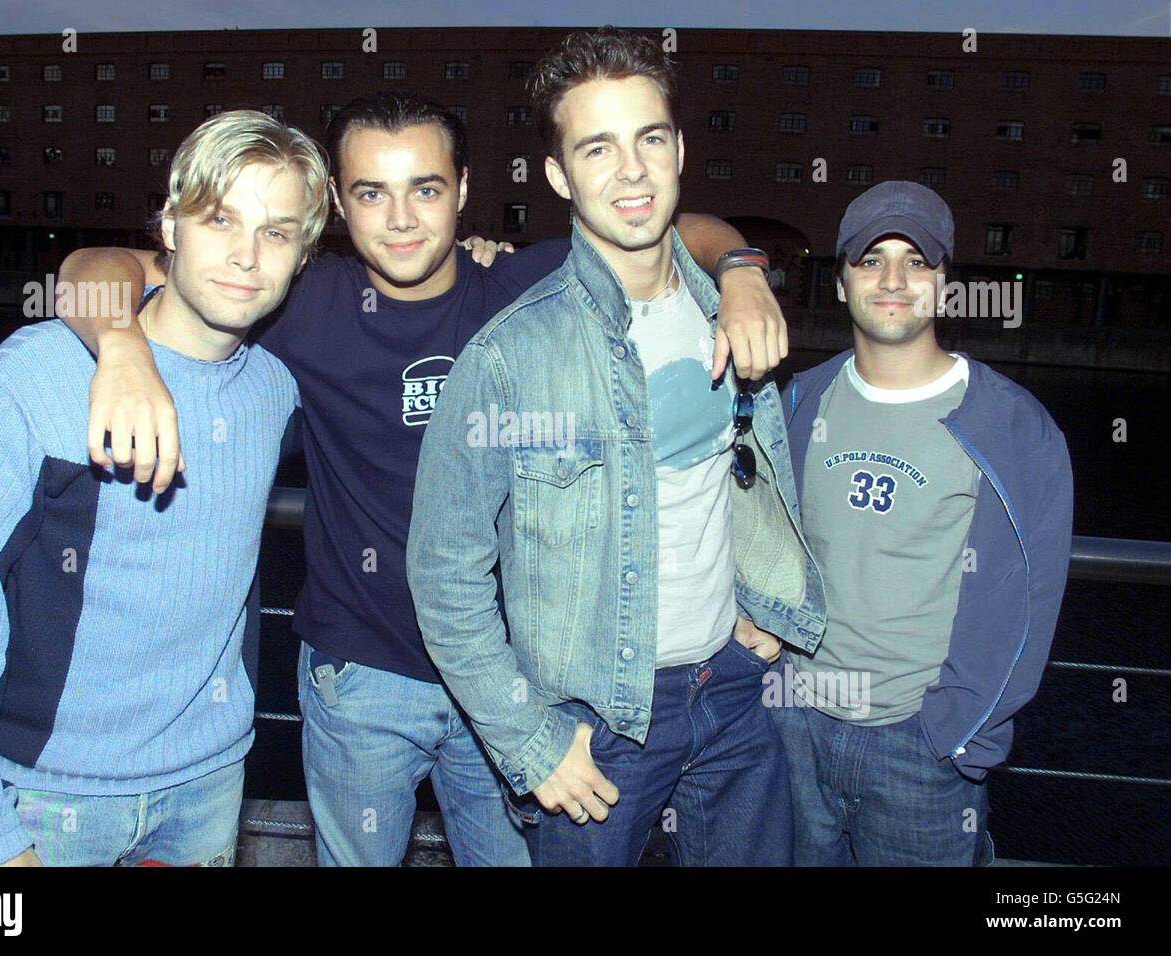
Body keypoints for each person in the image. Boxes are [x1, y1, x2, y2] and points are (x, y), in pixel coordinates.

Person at [57, 90, 787, 866]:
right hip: (360, 678)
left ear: (465, 191)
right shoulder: (304, 299)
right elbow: (87, 268)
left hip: (503, 684)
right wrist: (121, 346)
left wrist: (741, 274)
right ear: (338, 201)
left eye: (426, 189)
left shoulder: (520, 291)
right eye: (373, 192)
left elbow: (676, 233)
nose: (401, 218)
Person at [406, 27, 827, 867]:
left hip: (734, 689)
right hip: (596, 725)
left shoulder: (729, 311)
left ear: (679, 150)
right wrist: (527, 738)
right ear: (560, 175)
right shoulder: (509, 358)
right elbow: (443, 572)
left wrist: (769, 600)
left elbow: (745, 478)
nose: (631, 171)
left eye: (650, 139)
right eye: (598, 148)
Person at [0, 110, 330, 866]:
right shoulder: (35, 377)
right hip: (48, 795)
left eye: (276, 232)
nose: (245, 255)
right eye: (219, 219)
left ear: (302, 257)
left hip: (209, 783)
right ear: (169, 228)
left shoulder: (274, 389)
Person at [767, 180, 1074, 865]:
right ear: (842, 282)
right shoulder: (799, 400)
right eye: (872, 260)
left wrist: (958, 732)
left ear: (945, 283)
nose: (894, 279)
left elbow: (1028, 601)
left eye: (917, 260)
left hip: (920, 746)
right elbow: (764, 536)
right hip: (793, 726)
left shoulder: (1010, 425)